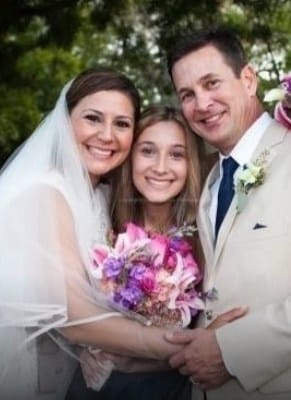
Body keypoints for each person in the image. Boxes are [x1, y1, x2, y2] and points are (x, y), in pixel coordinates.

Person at [0, 68, 245, 400]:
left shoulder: (97, 200)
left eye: (121, 123)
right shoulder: (46, 193)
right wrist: (192, 346)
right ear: (65, 122)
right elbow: (74, 318)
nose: (106, 135)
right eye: (93, 118)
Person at [66, 105, 247, 400]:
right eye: (148, 151)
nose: (160, 167)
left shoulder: (207, 235)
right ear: (130, 156)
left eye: (176, 154)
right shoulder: (97, 217)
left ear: (191, 163)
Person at [165, 26, 291, 399]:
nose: (201, 104)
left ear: (248, 79)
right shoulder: (210, 181)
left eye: (211, 83)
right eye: (187, 94)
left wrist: (232, 351)